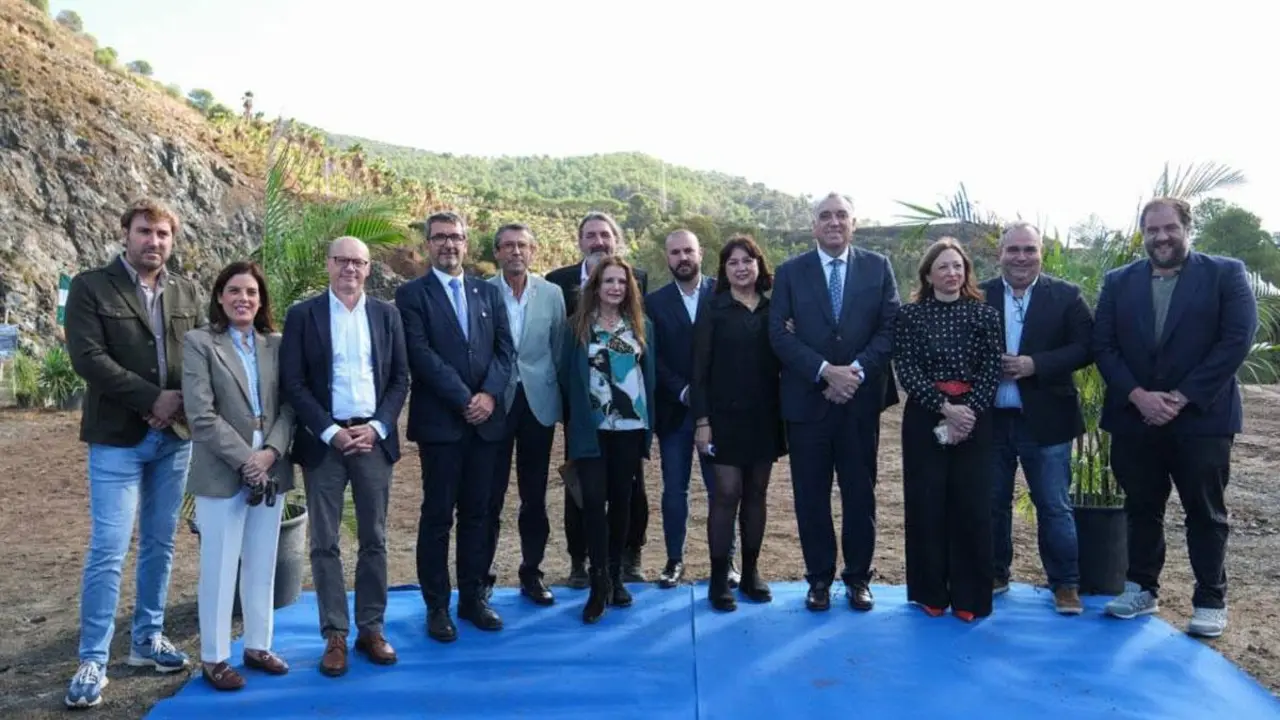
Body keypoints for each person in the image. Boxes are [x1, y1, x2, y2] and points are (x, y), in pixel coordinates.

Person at [63, 198, 205, 709]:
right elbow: (88, 358)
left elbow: (201, 356)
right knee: (109, 547)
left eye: (163, 234)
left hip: (174, 440)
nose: (154, 242)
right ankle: (93, 660)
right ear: (126, 233)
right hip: (116, 439)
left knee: (160, 544)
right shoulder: (90, 287)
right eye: (145, 231)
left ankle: (147, 640)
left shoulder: (187, 291)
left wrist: (180, 403)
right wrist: (152, 400)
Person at [1094, 197, 1257, 638]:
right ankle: (1141, 589)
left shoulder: (1225, 274)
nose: (1161, 237)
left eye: (1169, 228)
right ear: (1142, 233)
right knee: (1141, 508)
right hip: (1135, 418)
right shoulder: (1117, 282)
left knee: (1205, 513)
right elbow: (1103, 346)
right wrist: (1139, 396)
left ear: (1188, 228)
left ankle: (1209, 599)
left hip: (1202, 419)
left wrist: (1181, 397)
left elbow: (1237, 340)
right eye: (1152, 230)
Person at [280, 236, 409, 676]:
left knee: (374, 538)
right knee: (325, 542)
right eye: (342, 261)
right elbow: (293, 383)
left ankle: (371, 628)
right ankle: (334, 634)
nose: (350, 269)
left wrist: (376, 427)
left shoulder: (387, 315)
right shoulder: (303, 315)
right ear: (328, 263)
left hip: (373, 439)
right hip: (325, 443)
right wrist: (332, 432)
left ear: (369, 268)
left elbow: (399, 380)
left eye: (358, 262)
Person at [767, 192, 900, 612]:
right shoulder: (790, 273)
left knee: (860, 495)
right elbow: (779, 335)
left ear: (854, 223)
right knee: (811, 497)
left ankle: (859, 579)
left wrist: (854, 372)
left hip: (860, 404)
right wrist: (825, 371)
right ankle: (819, 579)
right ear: (814, 226)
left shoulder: (879, 268)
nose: (833, 222)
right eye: (825, 216)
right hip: (809, 403)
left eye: (841, 215)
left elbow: (889, 328)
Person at [395, 211, 514, 642]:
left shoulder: (488, 292)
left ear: (467, 244)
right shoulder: (411, 295)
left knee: (479, 514)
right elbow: (420, 354)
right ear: (428, 244)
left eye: (456, 237)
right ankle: (437, 607)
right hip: (441, 425)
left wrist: (488, 396)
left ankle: (473, 599)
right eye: (440, 237)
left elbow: (505, 352)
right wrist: (465, 398)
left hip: (487, 424)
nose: (449, 244)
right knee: (438, 516)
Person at [181, 261, 294, 690]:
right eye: (233, 290)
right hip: (223, 470)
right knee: (220, 564)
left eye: (250, 291)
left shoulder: (276, 345)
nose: (242, 298)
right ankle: (214, 657)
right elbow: (200, 414)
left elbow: (290, 405)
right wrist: (248, 459)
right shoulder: (199, 343)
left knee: (263, 562)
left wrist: (270, 453)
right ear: (219, 296)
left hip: (273, 465)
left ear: (261, 299)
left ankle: (258, 645)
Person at [981, 222, 1092, 615]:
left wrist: (1035, 364)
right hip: (990, 420)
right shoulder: (979, 294)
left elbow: (1086, 347)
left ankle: (1065, 584)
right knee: (992, 503)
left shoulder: (1066, 296)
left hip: (1046, 421)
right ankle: (995, 574)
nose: (1021, 257)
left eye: (1029, 249)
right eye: (1013, 250)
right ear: (1001, 255)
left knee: (1053, 505)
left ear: (1040, 253)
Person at [893, 237, 1003, 622]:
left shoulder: (985, 315)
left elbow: (992, 369)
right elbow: (905, 368)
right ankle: (930, 592)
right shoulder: (909, 316)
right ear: (928, 274)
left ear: (966, 272)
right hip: (926, 415)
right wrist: (944, 409)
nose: (952, 273)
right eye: (943, 266)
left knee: (970, 507)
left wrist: (966, 414)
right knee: (927, 504)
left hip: (975, 418)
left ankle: (971, 597)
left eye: (958, 266)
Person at [545, 212, 650, 585]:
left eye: (605, 235)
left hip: (628, 419)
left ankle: (625, 560)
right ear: (580, 241)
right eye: (591, 235)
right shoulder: (558, 284)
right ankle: (581, 562)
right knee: (582, 492)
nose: (598, 241)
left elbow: (645, 355)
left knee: (628, 491)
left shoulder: (637, 285)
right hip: (583, 416)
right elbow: (559, 357)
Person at [560, 256, 657, 624]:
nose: (615, 287)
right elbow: (566, 376)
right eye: (608, 281)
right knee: (593, 503)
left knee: (622, 503)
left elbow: (649, 377)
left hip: (630, 429)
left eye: (621, 282)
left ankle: (617, 575)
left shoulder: (642, 326)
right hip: (592, 430)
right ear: (595, 287)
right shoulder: (577, 327)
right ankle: (597, 582)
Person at [691, 235, 786, 611]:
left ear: (759, 265)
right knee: (726, 493)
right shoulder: (713, 309)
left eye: (748, 260)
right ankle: (719, 578)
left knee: (757, 494)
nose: (742, 267)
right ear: (724, 270)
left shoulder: (774, 309)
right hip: (722, 417)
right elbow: (698, 371)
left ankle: (751, 572)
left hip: (765, 415)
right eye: (733, 262)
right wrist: (702, 421)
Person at [481, 223, 566, 606]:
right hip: (495, 404)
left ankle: (532, 573)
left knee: (534, 495)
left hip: (537, 404)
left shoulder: (552, 294)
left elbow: (559, 349)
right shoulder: (481, 290)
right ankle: (481, 576)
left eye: (523, 246)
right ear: (497, 252)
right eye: (508, 246)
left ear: (533, 251)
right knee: (489, 494)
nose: (516, 252)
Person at [646, 229, 731, 589]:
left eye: (689, 251)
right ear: (668, 258)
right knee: (673, 489)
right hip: (675, 412)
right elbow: (654, 356)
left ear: (701, 254)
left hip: (719, 414)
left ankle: (726, 562)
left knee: (722, 490)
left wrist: (708, 399)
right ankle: (674, 560)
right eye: (676, 252)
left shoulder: (724, 293)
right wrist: (682, 392)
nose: (683, 257)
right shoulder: (653, 302)